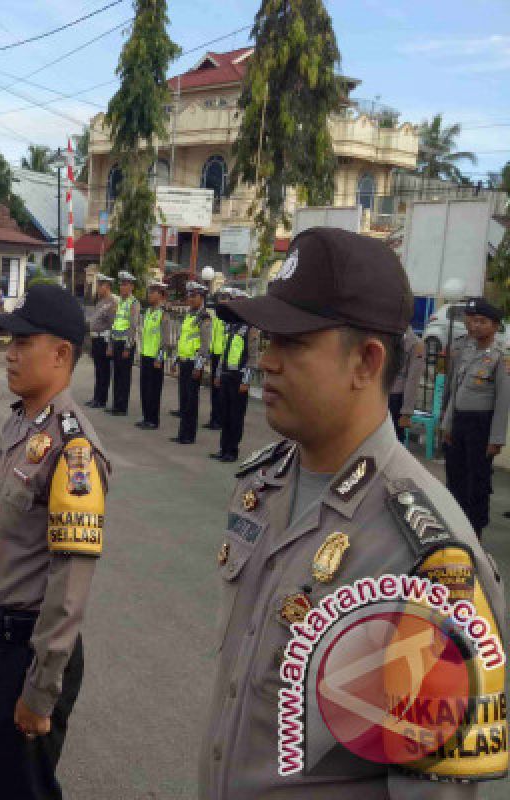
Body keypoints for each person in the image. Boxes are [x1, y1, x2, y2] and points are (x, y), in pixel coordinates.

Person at [199, 227, 507, 798]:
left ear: (366, 362)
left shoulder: (429, 563)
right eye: (267, 340)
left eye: (291, 343)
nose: (266, 362)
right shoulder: (264, 482)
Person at [0, 284, 109, 800]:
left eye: (23, 342)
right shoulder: (20, 422)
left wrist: (41, 688)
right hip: (0, 639)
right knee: (4, 784)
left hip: (31, 653)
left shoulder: (73, 448)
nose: (9, 353)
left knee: (24, 789)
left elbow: (69, 586)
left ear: (60, 354)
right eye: (10, 342)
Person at [442, 298, 510, 538]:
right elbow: (455, 390)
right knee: (455, 475)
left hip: (481, 427)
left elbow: (503, 402)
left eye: (481, 321)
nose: (474, 326)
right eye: (471, 321)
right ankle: (455, 525)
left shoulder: (501, 356)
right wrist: (447, 424)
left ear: (494, 326)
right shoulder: (466, 351)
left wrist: (496, 438)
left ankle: (474, 531)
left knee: (477, 481)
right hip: (459, 422)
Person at [208, 289, 259, 463]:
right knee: (225, 413)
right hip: (227, 375)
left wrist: (246, 381)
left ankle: (232, 451)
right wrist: (217, 373)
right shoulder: (230, 326)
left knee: (236, 415)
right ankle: (223, 448)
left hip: (239, 378)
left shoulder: (251, 329)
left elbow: (252, 358)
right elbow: (223, 353)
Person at [173, 281, 213, 445]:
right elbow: (183, 339)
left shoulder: (204, 318)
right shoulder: (189, 315)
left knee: (191, 401)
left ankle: (189, 435)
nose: (190, 298)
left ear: (202, 297)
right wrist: (177, 358)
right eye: (189, 295)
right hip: (184, 361)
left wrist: (199, 366)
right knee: (183, 400)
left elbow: (205, 345)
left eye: (194, 295)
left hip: (193, 364)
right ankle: (182, 433)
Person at [135, 280, 168, 430]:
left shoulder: (163, 314)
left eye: (153, 292)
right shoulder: (148, 312)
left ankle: (153, 420)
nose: (149, 295)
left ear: (160, 295)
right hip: (145, 355)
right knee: (145, 388)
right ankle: (146, 416)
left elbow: (165, 340)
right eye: (149, 292)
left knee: (154, 390)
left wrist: (159, 357)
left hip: (155, 358)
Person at [108, 270, 140, 416]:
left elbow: (133, 327)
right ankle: (115, 404)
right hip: (116, 342)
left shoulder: (134, 303)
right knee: (117, 374)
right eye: (121, 285)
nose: (122, 287)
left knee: (124, 376)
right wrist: (110, 344)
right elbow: (114, 323)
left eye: (125, 285)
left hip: (126, 344)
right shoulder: (119, 302)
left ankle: (122, 406)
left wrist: (128, 346)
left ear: (131, 287)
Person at [86, 277, 116, 410]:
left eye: (100, 286)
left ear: (107, 287)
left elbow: (112, 326)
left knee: (104, 371)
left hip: (105, 340)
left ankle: (102, 399)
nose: (97, 289)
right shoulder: (100, 302)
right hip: (96, 340)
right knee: (98, 370)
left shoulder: (112, 303)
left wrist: (110, 345)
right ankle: (96, 397)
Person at [390, 324, 426, 427]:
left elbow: (413, 380)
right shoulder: (386, 338)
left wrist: (406, 412)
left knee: (395, 437)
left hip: (397, 398)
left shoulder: (416, 344)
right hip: (381, 395)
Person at [204, 294, 226, 431]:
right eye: (220, 299)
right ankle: (214, 418)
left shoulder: (228, 319)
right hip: (215, 354)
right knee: (214, 390)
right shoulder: (217, 317)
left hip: (223, 357)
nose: (220, 302)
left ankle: (219, 419)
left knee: (221, 390)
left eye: (224, 299)